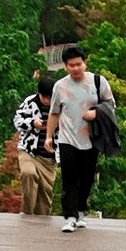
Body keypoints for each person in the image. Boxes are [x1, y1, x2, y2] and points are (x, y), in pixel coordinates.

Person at [43, 44, 114, 233]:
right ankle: (70, 216)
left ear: (85, 62)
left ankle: (81, 210)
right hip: (67, 138)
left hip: (91, 138)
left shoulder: (98, 82)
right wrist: (49, 137)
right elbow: (54, 113)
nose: (76, 68)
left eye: (79, 64)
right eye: (71, 65)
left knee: (87, 178)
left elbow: (110, 104)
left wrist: (95, 113)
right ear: (65, 66)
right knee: (69, 178)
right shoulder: (60, 86)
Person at [13, 74, 58, 215]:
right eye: (45, 97)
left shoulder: (61, 104)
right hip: (29, 150)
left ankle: (41, 223)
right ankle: (27, 213)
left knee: (45, 191)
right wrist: (32, 123)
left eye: (50, 98)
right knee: (28, 173)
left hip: (49, 156)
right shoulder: (30, 102)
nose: (47, 101)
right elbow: (17, 120)